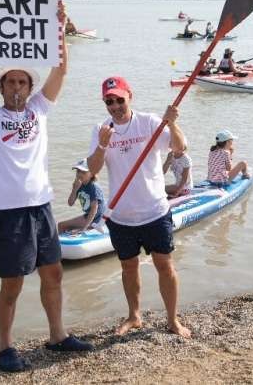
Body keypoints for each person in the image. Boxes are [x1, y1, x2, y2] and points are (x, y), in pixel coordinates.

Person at [0, 4, 92, 373]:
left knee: (53, 274)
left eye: (22, 82)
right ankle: (5, 347)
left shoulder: (40, 109)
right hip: (6, 212)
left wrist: (60, 27)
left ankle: (57, 336)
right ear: (1, 86)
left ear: (29, 88)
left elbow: (61, 69)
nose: (16, 87)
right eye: (10, 82)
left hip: (41, 207)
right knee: (12, 285)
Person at [86, 76, 191, 338]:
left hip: (155, 211)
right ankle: (134, 316)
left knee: (164, 266)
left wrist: (173, 123)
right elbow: (92, 170)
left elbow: (180, 148)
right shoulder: (101, 129)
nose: (115, 106)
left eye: (119, 99)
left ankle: (172, 319)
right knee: (128, 267)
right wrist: (102, 144)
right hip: (120, 215)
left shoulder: (150, 122)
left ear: (129, 96)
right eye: (109, 101)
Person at [57, 159, 106, 234]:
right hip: (88, 216)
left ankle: (64, 243)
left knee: (62, 226)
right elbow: (70, 203)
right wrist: (74, 189)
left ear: (92, 174)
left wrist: (84, 228)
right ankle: (63, 243)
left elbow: (94, 211)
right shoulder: (79, 185)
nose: (79, 174)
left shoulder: (94, 188)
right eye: (78, 171)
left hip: (97, 218)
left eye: (83, 172)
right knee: (61, 225)